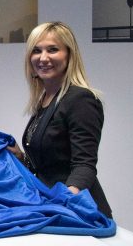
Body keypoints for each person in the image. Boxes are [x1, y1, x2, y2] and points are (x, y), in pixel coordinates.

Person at [7, 21, 112, 218]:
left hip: (76, 211)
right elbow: (49, 167)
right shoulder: (45, 99)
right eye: (36, 51)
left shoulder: (80, 99)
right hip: (50, 205)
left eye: (53, 50)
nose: (43, 58)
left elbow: (84, 166)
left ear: (69, 55)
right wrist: (21, 157)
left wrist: (65, 200)